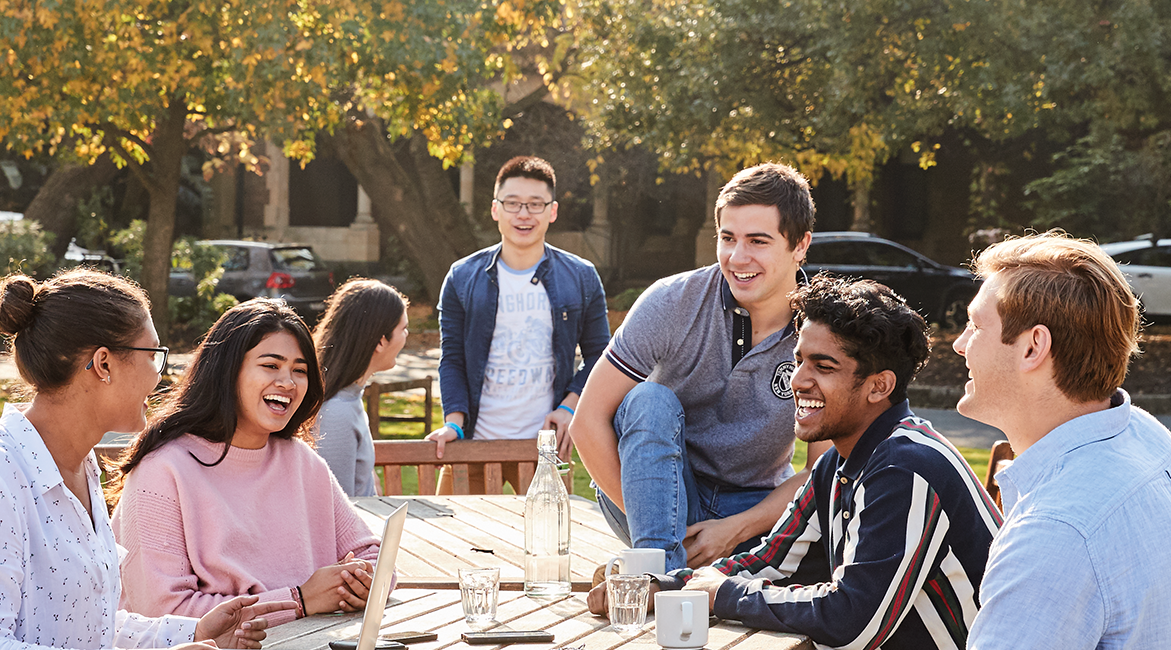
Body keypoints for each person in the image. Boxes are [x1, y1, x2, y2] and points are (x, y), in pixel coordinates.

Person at [591, 275, 1001, 648]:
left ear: (880, 386)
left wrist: (724, 594)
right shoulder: (838, 465)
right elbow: (768, 562)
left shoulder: (905, 467)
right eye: (800, 359)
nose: (798, 380)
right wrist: (660, 586)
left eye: (823, 366)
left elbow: (852, 620)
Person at [0, 269, 288, 650]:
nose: (159, 376)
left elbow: (87, 626)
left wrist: (195, 631)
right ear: (103, 364)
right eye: (154, 355)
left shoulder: (80, 470)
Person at [956, 232, 1171, 649]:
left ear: (1033, 347)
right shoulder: (1147, 437)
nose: (959, 344)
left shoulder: (1053, 532)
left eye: (975, 326)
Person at [571, 163, 828, 572]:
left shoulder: (824, 331)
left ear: (800, 245)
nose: (737, 257)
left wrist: (734, 530)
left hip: (755, 507)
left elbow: (822, 470)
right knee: (647, 399)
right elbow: (586, 422)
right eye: (728, 238)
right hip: (654, 488)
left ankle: (650, 571)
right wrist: (660, 524)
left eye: (758, 241)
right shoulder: (671, 302)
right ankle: (660, 569)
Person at [110, 299, 380, 624]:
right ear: (228, 370)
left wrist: (361, 584)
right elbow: (161, 611)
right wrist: (299, 601)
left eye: (300, 370)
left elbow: (375, 555)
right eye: (271, 365)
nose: (288, 382)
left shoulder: (303, 462)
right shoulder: (162, 470)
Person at [424, 155, 610, 493]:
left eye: (535, 205)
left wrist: (570, 406)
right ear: (496, 209)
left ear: (552, 211)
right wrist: (455, 424)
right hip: (471, 446)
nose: (523, 214)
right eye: (513, 203)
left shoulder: (580, 277)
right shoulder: (462, 277)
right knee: (458, 541)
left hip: (543, 450)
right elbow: (451, 358)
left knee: (548, 544)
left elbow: (601, 355)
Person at [312, 278, 410, 496]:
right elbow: (338, 507)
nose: (406, 335)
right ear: (380, 341)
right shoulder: (337, 412)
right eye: (403, 328)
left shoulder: (349, 398)